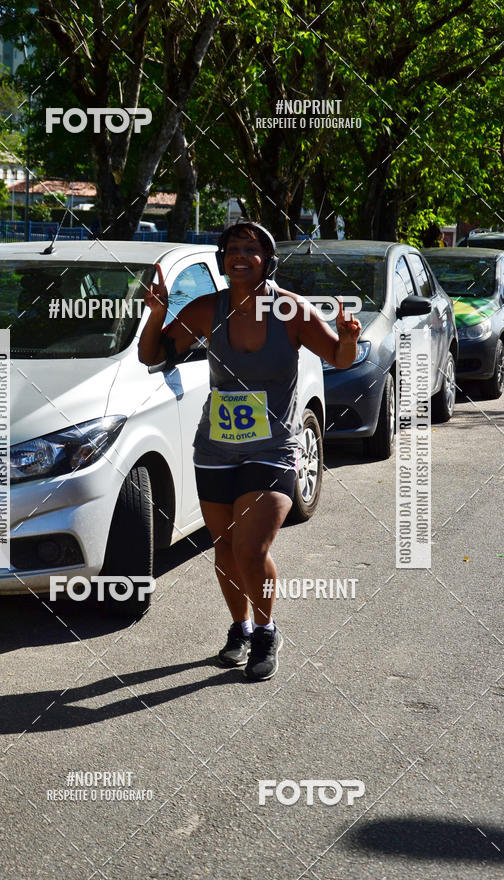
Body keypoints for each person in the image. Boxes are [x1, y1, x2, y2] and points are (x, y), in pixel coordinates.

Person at [138, 222, 361, 680]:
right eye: (232, 249)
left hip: (273, 448)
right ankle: (239, 628)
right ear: (222, 258)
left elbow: (339, 358)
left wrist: (349, 336)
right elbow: (151, 355)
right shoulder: (206, 309)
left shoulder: (291, 310)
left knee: (251, 548)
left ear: (268, 259)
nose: (240, 256)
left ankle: (265, 631)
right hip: (215, 449)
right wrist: (157, 313)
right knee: (224, 550)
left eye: (251, 249)